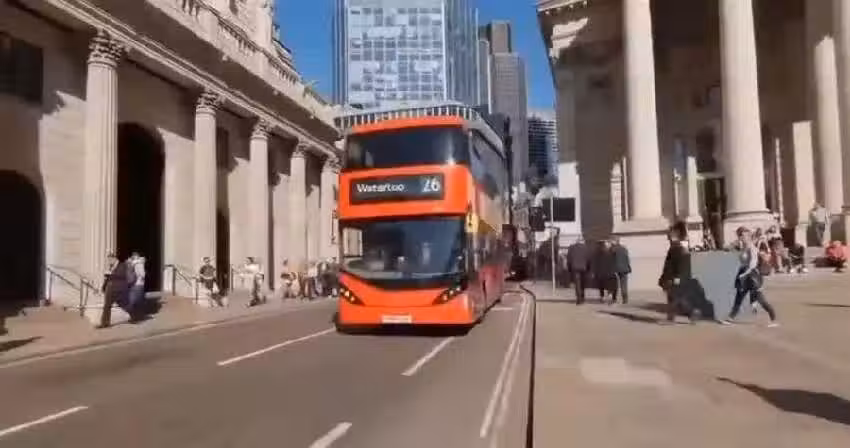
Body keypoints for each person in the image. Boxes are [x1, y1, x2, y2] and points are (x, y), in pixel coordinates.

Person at [722, 227, 779, 327]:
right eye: (740, 235)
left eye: (744, 235)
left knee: (761, 300)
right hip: (744, 273)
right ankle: (730, 318)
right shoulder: (742, 246)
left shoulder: (752, 248)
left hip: (752, 275)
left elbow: (752, 264)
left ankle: (773, 318)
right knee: (739, 298)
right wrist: (730, 246)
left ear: (748, 236)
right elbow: (726, 247)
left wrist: (744, 274)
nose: (742, 237)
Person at [658, 222, 698, 324]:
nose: (668, 236)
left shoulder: (678, 248)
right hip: (673, 277)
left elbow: (681, 265)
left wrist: (678, 278)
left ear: (674, 235)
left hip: (675, 278)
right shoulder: (674, 247)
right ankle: (691, 314)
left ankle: (673, 318)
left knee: (675, 298)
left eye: (669, 234)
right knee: (677, 299)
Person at [98, 252, 130, 329]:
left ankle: (135, 315)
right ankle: (104, 323)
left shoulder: (122, 265)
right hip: (110, 289)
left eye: (110, 259)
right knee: (107, 306)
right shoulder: (111, 267)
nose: (109, 261)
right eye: (108, 260)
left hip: (119, 289)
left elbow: (122, 275)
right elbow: (107, 279)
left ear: (114, 258)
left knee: (124, 304)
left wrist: (111, 274)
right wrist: (103, 287)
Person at [566, 237, 590, 304]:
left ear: (576, 241)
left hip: (575, 268)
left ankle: (579, 298)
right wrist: (588, 268)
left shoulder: (571, 247)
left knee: (577, 283)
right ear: (583, 241)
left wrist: (569, 268)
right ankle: (582, 296)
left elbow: (569, 258)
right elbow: (588, 259)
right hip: (584, 268)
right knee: (583, 283)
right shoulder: (586, 248)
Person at [611, 237, 632, 304]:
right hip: (625, 269)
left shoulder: (613, 249)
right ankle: (625, 299)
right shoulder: (624, 248)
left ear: (615, 241)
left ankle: (614, 299)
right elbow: (627, 259)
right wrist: (628, 267)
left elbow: (610, 261)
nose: (610, 242)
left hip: (616, 269)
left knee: (615, 284)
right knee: (624, 284)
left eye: (611, 241)